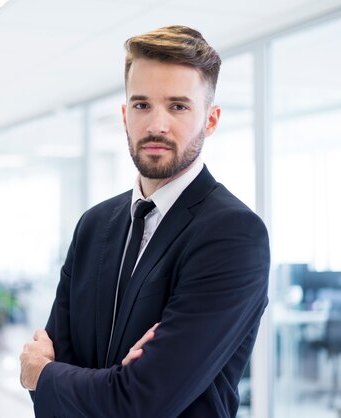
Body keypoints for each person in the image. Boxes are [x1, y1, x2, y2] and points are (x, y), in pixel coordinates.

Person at [20, 25, 270, 417]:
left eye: (178, 106)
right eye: (141, 105)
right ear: (124, 115)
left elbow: (143, 403)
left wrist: (46, 374)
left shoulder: (233, 234)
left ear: (212, 119)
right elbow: (52, 397)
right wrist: (80, 381)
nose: (157, 125)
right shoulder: (93, 225)